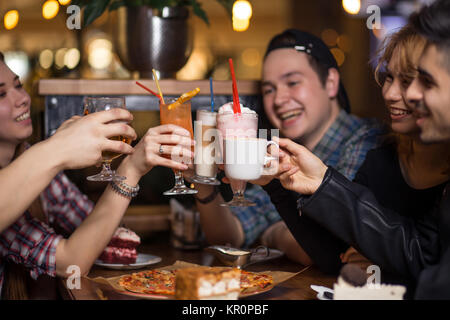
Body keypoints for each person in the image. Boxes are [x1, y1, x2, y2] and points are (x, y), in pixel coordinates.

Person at [269, 0, 450, 298]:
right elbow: (334, 256)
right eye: (388, 77)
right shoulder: (381, 157)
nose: (392, 94)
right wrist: (281, 185)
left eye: (418, 81)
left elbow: (423, 263)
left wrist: (383, 268)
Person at [0, 53, 194, 299]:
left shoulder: (30, 159)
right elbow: (70, 261)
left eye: (18, 86)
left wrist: (131, 167)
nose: (22, 99)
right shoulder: (34, 167)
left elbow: (97, 228)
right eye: (1, 94)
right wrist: (59, 148)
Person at [189, 29, 382, 265]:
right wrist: (203, 182)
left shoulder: (367, 140)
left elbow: (334, 247)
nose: (279, 99)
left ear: (330, 83)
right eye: (269, 89)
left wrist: (273, 235)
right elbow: (232, 235)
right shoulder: (279, 151)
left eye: (292, 82)